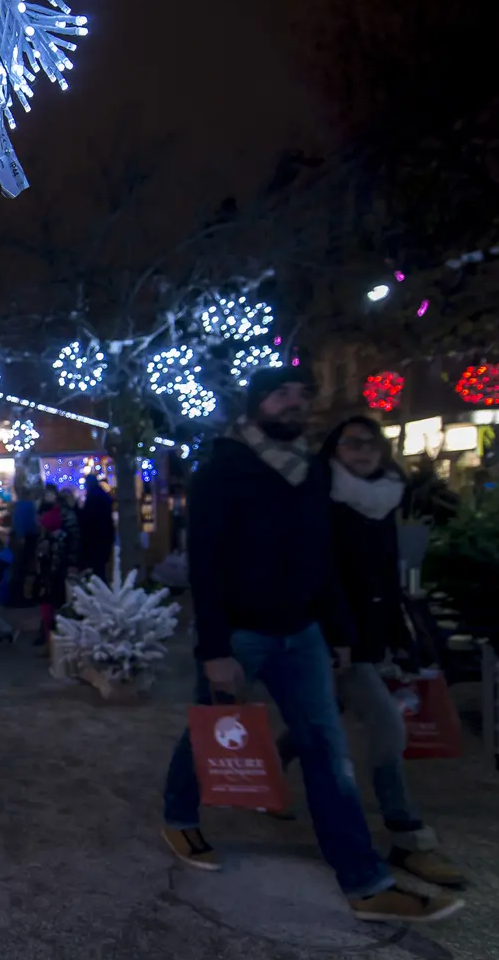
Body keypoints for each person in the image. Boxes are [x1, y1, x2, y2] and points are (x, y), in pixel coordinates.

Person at [159, 365, 463, 924]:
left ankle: (365, 882)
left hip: (302, 633)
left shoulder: (312, 472)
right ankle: (179, 814)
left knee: (328, 752)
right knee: (213, 730)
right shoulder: (224, 468)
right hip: (242, 632)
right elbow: (206, 561)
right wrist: (215, 649)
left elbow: (321, 557)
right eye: (280, 394)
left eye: (301, 394)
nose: (293, 403)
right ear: (256, 403)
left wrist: (338, 632)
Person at [318, 417, 466, 888]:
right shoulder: (322, 499)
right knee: (386, 726)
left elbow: (385, 575)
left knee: (318, 717)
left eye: (371, 443)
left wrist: (399, 632)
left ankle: (274, 776)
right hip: (335, 637)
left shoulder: (385, 498)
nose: (363, 450)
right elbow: (322, 575)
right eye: (352, 443)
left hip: (370, 633)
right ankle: (407, 835)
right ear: (335, 449)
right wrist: (338, 636)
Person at [31, 486, 74, 645]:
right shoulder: (63, 520)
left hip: (51, 570)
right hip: (53, 569)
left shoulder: (52, 535)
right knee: (52, 601)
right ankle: (49, 632)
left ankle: (48, 633)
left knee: (49, 601)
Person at [78, 473, 115, 580]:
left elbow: (88, 520)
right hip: (104, 537)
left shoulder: (92, 497)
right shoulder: (103, 495)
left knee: (96, 569)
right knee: (101, 568)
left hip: (95, 540)